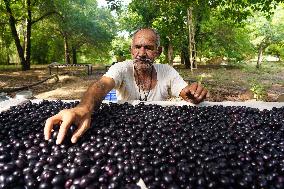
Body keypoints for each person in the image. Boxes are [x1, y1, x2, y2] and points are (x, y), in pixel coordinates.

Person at [44, 28, 208, 144]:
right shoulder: (121, 68)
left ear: (158, 51)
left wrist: (192, 93)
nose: (142, 53)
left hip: (157, 132)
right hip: (124, 130)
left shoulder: (167, 71)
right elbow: (101, 86)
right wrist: (83, 108)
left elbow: (184, 90)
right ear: (131, 50)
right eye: (137, 47)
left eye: (148, 48)